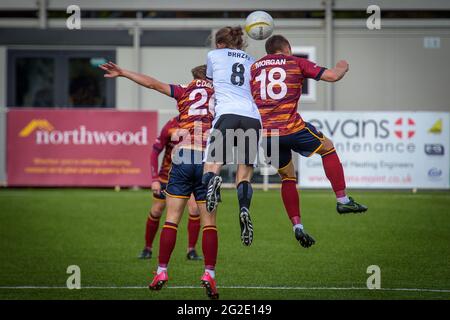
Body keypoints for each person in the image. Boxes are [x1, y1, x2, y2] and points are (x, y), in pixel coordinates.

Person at [99, 62, 219, 299]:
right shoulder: (220, 92)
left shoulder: (184, 90)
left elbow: (152, 84)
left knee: (171, 218)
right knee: (209, 223)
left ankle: (162, 271)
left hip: (183, 157)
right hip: (207, 159)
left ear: (193, 77)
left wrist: (123, 73)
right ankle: (209, 274)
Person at [250, 35, 368, 248]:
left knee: (287, 177)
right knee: (328, 148)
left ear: (268, 51)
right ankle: (342, 200)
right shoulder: (296, 62)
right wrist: (342, 66)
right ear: (287, 48)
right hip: (292, 128)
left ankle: (297, 226)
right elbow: (332, 76)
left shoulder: (255, 68)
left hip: (266, 135)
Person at [202, 26, 262, 247]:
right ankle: (244, 208)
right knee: (244, 174)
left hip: (226, 113)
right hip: (251, 117)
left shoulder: (213, 55)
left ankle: (214, 181)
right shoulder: (251, 60)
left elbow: (210, 81)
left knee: (212, 165)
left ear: (219, 43)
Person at [138, 117, 202, 261]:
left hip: (187, 176)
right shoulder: (170, 126)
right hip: (167, 176)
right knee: (156, 211)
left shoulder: (199, 125)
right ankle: (147, 248)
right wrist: (154, 179)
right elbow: (155, 152)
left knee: (194, 209)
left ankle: (191, 250)